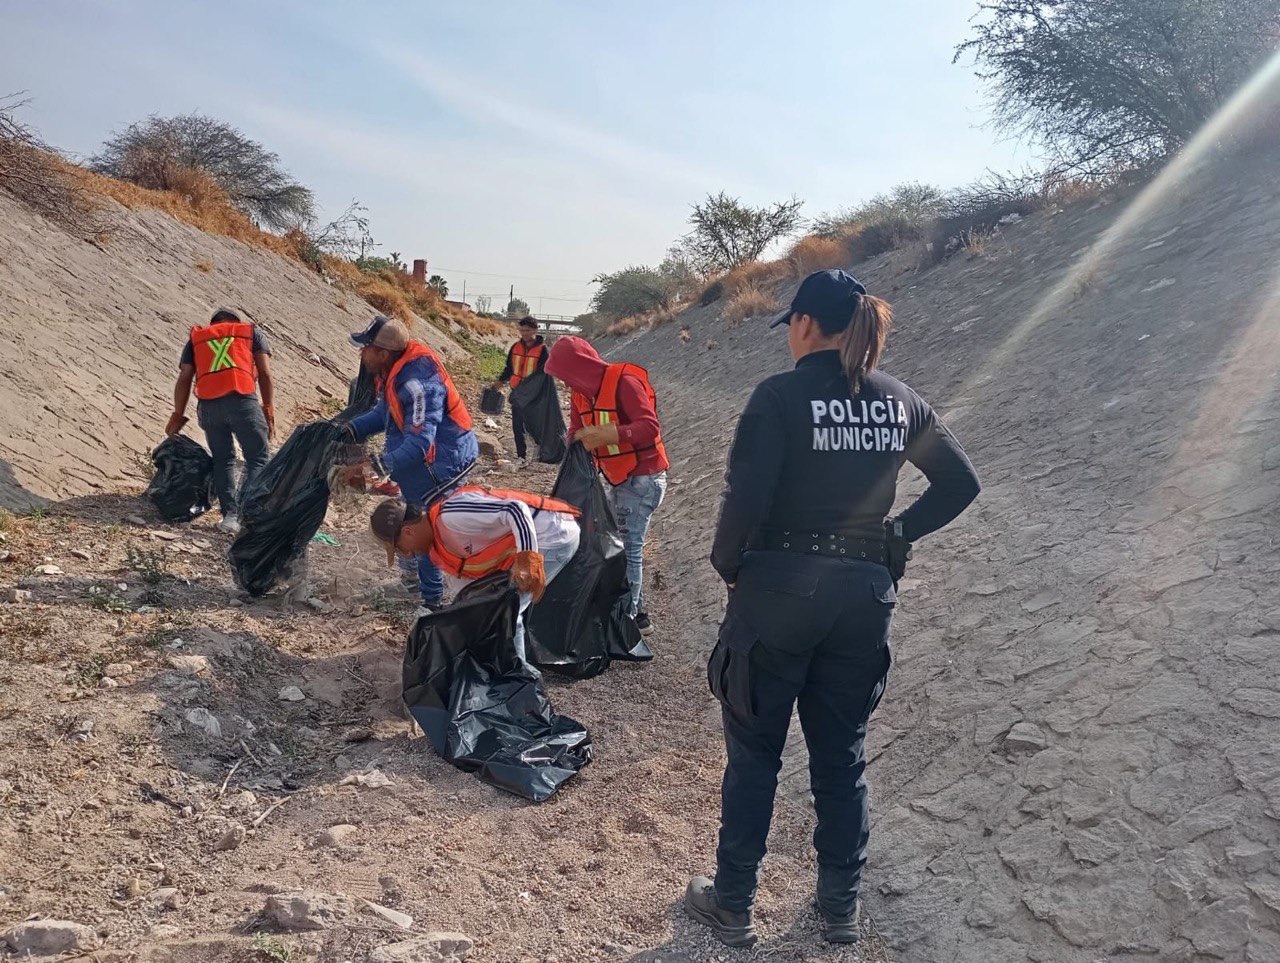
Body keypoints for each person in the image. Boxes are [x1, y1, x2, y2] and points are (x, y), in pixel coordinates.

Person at [685, 270, 980, 948]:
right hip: (863, 596)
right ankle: (840, 909)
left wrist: (731, 571)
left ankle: (733, 903)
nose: (788, 332)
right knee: (841, 757)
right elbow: (962, 481)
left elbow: (743, 503)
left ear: (807, 325)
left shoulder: (779, 397)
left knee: (756, 753)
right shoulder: (900, 399)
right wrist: (898, 534)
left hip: (779, 593)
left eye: (790, 322)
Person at [341, 315, 480, 610]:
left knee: (423, 525)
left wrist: (378, 467)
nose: (361, 354)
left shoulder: (419, 385)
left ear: (382, 352)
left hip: (444, 461)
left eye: (364, 348)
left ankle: (432, 601)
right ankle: (412, 583)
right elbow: (384, 413)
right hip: (424, 459)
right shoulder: (393, 371)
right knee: (409, 515)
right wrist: (351, 428)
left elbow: (419, 444)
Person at [369, 486, 580, 662]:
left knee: (506, 613)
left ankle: (518, 681)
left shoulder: (452, 516)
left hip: (553, 534)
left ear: (408, 531)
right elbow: (466, 597)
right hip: (529, 543)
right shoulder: (439, 552)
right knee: (492, 611)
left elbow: (515, 509)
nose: (407, 555)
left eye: (400, 548)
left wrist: (528, 558)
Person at [544, 336, 668, 636]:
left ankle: (627, 622)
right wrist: (575, 441)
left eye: (565, 375)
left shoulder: (624, 381)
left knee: (629, 548)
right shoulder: (580, 394)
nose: (564, 383)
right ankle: (637, 614)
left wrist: (612, 433)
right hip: (617, 478)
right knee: (620, 545)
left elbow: (649, 427)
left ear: (580, 368)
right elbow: (575, 429)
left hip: (643, 478)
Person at [166, 307, 275, 534]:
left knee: (223, 459)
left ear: (213, 324)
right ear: (235, 322)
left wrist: (177, 415)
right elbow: (264, 374)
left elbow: (185, 377)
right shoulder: (249, 332)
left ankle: (231, 517)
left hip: (209, 406)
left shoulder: (198, 338)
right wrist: (268, 408)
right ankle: (249, 514)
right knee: (257, 458)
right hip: (242, 401)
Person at [492, 316, 548, 464]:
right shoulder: (515, 347)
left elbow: (545, 373)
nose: (524, 333)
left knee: (533, 425)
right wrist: (500, 381)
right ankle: (521, 456)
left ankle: (540, 452)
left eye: (527, 330)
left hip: (534, 395)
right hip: (517, 392)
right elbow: (509, 368)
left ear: (535, 330)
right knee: (517, 425)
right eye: (522, 330)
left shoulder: (543, 350)